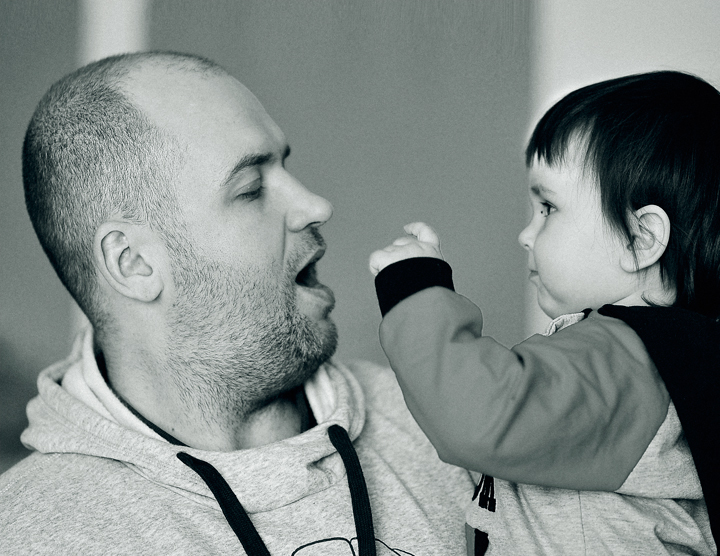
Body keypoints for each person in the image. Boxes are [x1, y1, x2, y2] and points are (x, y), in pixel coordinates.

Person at [0, 51, 475, 555]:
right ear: (134, 262)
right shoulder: (30, 536)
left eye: (284, 165)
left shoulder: (454, 426)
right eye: (250, 189)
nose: (315, 206)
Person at [369, 71, 720, 555]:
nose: (526, 235)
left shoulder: (628, 363)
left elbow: (482, 415)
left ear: (640, 239)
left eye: (548, 208)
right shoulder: (669, 370)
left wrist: (414, 285)